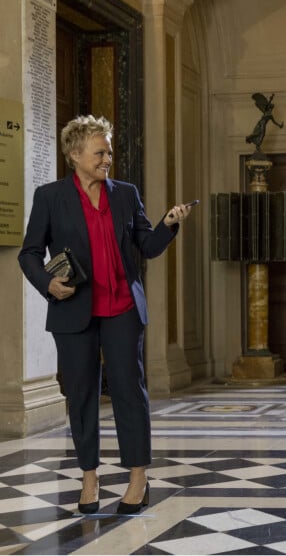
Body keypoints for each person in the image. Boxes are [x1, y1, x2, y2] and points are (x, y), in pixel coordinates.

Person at [18, 115, 192, 515]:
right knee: (81, 396)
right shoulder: (50, 196)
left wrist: (168, 225)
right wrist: (48, 284)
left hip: (122, 309)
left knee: (130, 393)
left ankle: (137, 477)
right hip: (73, 311)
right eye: (100, 152)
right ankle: (90, 477)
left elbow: (145, 245)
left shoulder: (125, 194)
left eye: (109, 151)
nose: (108, 158)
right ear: (75, 155)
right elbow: (29, 253)